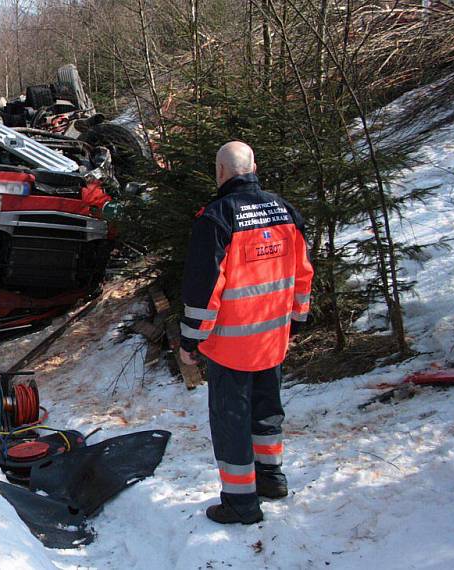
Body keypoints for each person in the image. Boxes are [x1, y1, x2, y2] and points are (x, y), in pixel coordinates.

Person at [179, 141, 314, 525]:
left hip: (232, 347)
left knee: (231, 421)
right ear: (254, 165)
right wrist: (297, 320)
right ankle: (271, 479)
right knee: (267, 411)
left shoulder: (216, 218)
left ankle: (240, 503)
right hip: (273, 340)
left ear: (220, 172)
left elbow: (205, 289)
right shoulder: (284, 210)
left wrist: (190, 341)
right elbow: (303, 272)